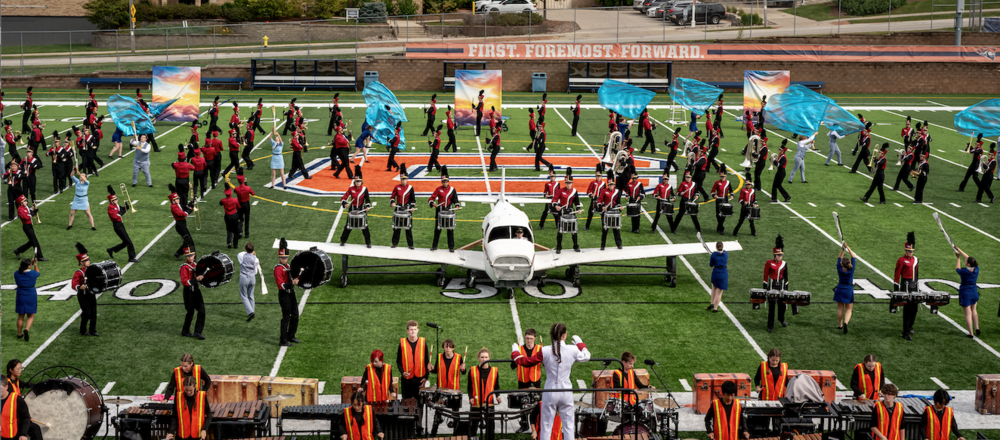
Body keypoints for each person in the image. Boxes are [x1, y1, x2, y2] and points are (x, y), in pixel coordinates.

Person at [511, 323, 590, 440]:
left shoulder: (544, 351)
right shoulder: (572, 349)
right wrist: (580, 344)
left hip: (550, 391)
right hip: (566, 391)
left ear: (551, 335)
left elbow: (525, 362)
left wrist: (515, 352)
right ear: (564, 335)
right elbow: (587, 356)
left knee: (546, 427)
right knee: (568, 427)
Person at [468, 348, 500, 440]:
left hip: (489, 402)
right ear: (478, 358)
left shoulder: (494, 370)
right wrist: (470, 397)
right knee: (473, 425)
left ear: (489, 358)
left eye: (486, 357)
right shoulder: (472, 370)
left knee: (490, 426)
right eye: (482, 357)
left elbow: (496, 386)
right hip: (476, 403)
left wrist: (498, 396)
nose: (484, 359)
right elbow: (469, 387)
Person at [274, 238, 301, 347]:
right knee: (286, 317)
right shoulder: (278, 269)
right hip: (284, 295)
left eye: (285, 258)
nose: (284, 260)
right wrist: (292, 283)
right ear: (279, 257)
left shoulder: (289, 266)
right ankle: (283, 340)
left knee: (295, 314)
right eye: (282, 258)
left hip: (291, 293)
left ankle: (291, 335)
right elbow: (281, 286)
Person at [339, 167, 372, 248]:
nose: (358, 183)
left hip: (361, 209)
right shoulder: (351, 189)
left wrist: (367, 207)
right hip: (352, 209)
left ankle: (368, 242)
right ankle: (343, 241)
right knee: (348, 225)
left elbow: (367, 200)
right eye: (356, 181)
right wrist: (345, 204)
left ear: (361, 181)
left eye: (359, 181)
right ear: (354, 181)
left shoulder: (364, 189)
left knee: (364, 226)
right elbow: (343, 198)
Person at [894, 232, 919, 340]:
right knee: (907, 309)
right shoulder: (901, 260)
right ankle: (905, 332)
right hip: (905, 285)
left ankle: (910, 326)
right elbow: (897, 275)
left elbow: (916, 274)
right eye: (909, 251)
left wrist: (917, 285)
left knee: (915, 308)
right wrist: (896, 289)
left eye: (912, 251)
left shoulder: (916, 260)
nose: (910, 253)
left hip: (914, 285)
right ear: (905, 250)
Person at [397, 320, 430, 400]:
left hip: (420, 380)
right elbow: (398, 361)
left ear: (417, 330)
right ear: (407, 331)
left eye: (415, 329)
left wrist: (426, 377)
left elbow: (427, 362)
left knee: (420, 403)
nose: (413, 331)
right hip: (407, 380)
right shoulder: (402, 344)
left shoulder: (423, 343)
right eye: (411, 329)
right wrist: (402, 372)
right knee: (406, 403)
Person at [763, 235, 790, 333]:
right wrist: (765, 287)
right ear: (775, 255)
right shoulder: (769, 263)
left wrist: (786, 288)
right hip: (772, 286)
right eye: (778, 255)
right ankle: (770, 326)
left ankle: (781, 319)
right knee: (772, 307)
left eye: (781, 255)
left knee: (782, 305)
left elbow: (786, 276)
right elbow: (765, 275)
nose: (780, 256)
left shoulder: (784, 264)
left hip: (781, 286)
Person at [179, 246, 206, 340]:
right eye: (188, 256)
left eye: (191, 255)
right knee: (190, 312)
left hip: (196, 291)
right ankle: (185, 331)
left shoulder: (196, 265)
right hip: (188, 292)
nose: (190, 257)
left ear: (194, 255)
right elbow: (184, 282)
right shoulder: (184, 267)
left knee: (202, 310)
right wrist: (196, 279)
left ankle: (198, 332)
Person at [430, 167, 459, 252]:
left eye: (446, 182)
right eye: (443, 182)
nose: (445, 183)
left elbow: (455, 199)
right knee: (437, 229)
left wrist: (457, 205)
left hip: (449, 211)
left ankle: (451, 247)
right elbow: (431, 198)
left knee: (450, 229)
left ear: (448, 181)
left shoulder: (452, 189)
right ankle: (434, 246)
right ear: (441, 182)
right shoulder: (438, 189)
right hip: (440, 211)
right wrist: (433, 204)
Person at [105, 185, 138, 263]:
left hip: (120, 225)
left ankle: (111, 250)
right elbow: (115, 216)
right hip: (117, 226)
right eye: (115, 199)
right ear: (112, 201)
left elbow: (122, 210)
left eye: (116, 199)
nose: (117, 200)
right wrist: (122, 211)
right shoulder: (110, 207)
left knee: (125, 242)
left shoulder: (116, 205)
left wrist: (126, 206)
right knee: (129, 242)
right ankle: (131, 258)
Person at [72, 243, 99, 336]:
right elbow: (74, 283)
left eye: (88, 259)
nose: (88, 261)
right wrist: (79, 287)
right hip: (83, 294)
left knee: (94, 312)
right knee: (87, 312)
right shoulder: (79, 272)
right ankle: (83, 330)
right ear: (81, 262)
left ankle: (92, 330)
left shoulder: (92, 269)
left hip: (91, 293)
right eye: (86, 260)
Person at [953, 246, 980, 338]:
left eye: (966, 261)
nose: (965, 261)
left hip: (966, 293)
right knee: (974, 311)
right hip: (974, 292)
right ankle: (977, 328)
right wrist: (959, 249)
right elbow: (968, 258)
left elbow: (957, 268)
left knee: (968, 314)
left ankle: (971, 333)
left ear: (968, 264)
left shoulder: (964, 271)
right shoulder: (976, 269)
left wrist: (958, 258)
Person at [553, 170, 581, 253]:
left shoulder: (574, 191)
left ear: (572, 183)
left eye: (570, 183)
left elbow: (577, 202)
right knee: (560, 231)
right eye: (567, 183)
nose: (568, 185)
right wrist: (556, 206)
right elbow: (554, 200)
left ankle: (576, 246)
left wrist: (578, 209)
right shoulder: (560, 191)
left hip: (571, 212)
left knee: (574, 230)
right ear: (565, 183)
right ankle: (558, 247)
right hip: (562, 212)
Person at [390, 164, 416, 249]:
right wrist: (392, 202)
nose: (403, 181)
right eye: (402, 179)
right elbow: (392, 197)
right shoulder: (397, 187)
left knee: (408, 228)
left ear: (407, 179)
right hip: (398, 209)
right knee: (397, 227)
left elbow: (413, 200)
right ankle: (394, 243)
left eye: (404, 179)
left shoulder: (410, 188)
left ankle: (410, 245)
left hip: (407, 210)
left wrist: (412, 207)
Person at [14, 258, 40, 342]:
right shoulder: (33, 273)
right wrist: (35, 264)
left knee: (20, 316)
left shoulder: (16, 273)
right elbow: (38, 273)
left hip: (20, 295)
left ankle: (19, 334)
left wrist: (30, 264)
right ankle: (26, 329)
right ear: (29, 266)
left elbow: (23, 271)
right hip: (31, 295)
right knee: (31, 315)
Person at [12, 195, 44, 261]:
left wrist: (34, 211)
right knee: (35, 242)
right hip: (26, 227)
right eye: (25, 201)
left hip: (30, 226)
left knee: (32, 242)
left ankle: (18, 250)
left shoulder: (26, 207)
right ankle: (39, 257)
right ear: (21, 202)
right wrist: (31, 214)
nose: (26, 202)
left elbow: (29, 212)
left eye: (26, 200)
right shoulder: (20, 209)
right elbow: (25, 217)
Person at [1, 374, 32, 440]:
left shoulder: (17, 399)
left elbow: (26, 418)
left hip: (12, 436)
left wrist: (23, 434)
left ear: (6, 387)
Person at [169, 185, 195, 260]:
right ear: (173, 201)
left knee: (187, 241)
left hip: (182, 224)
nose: (179, 199)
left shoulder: (177, 205)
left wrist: (189, 205)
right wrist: (190, 210)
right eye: (177, 199)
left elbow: (183, 208)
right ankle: (192, 257)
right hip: (180, 225)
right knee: (189, 241)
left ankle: (178, 253)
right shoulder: (173, 207)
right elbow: (182, 214)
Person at [835, 242, 857, 334]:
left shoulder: (839, 269)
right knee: (848, 309)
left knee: (840, 308)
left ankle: (840, 325)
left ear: (842, 264)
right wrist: (847, 247)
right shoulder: (851, 270)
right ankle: (846, 323)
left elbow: (839, 258)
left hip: (840, 288)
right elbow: (853, 257)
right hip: (848, 290)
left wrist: (843, 249)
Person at [237, 243, 261, 322]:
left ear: (246, 249)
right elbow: (255, 271)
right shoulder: (256, 259)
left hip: (244, 277)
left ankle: (250, 312)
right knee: (251, 295)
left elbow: (240, 253)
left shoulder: (241, 255)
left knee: (243, 295)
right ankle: (252, 310)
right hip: (252, 278)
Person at [597, 184, 623, 250]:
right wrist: (602, 207)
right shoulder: (603, 191)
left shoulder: (617, 191)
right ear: (608, 185)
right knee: (605, 229)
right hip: (606, 212)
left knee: (616, 228)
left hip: (614, 211)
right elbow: (599, 201)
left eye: (612, 185)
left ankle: (619, 244)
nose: (611, 186)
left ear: (614, 185)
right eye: (610, 185)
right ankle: (602, 245)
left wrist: (620, 207)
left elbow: (618, 202)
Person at [732, 173, 756, 237]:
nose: (748, 186)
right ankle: (735, 232)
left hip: (750, 207)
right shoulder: (743, 190)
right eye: (747, 184)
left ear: (751, 185)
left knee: (751, 221)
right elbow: (740, 199)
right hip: (744, 208)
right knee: (741, 221)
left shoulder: (753, 191)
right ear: (745, 185)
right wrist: (743, 202)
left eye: (749, 184)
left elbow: (754, 199)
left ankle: (753, 232)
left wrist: (755, 204)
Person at [710, 167, 732, 235]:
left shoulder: (728, 183)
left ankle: (720, 228)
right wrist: (714, 195)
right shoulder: (717, 182)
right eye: (721, 176)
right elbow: (712, 191)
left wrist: (732, 195)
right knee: (718, 214)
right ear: (720, 176)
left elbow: (731, 191)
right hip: (719, 199)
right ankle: (720, 227)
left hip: (725, 199)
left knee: (724, 214)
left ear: (726, 176)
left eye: (724, 176)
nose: (723, 178)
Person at [586, 164, 606, 231]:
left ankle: (604, 226)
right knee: (590, 213)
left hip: (600, 201)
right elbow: (588, 191)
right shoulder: (593, 182)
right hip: (594, 200)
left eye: (599, 176)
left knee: (603, 214)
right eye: (597, 176)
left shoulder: (603, 183)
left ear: (601, 176)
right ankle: (587, 226)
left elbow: (605, 192)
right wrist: (591, 195)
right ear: (595, 176)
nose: (598, 177)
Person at [234, 171, 255, 238]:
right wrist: (246, 185)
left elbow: (235, 191)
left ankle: (240, 232)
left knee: (240, 219)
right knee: (247, 219)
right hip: (246, 204)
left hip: (239, 204)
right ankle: (246, 233)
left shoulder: (236, 188)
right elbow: (253, 193)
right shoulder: (247, 188)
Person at [709, 242, 728, 313]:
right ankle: (715, 308)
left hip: (715, 272)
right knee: (719, 292)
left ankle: (712, 303)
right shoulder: (726, 254)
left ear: (716, 247)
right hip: (723, 273)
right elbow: (723, 253)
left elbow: (711, 265)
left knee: (713, 288)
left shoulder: (713, 255)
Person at [269, 119, 287, 190]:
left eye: (278, 138)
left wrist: (278, 134)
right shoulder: (273, 143)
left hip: (279, 158)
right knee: (273, 173)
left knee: (282, 173)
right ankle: (272, 185)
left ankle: (284, 185)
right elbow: (270, 138)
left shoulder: (281, 144)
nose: (277, 138)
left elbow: (281, 141)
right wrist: (272, 131)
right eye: (276, 138)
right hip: (274, 158)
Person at [539, 165, 559, 230]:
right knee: (545, 212)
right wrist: (546, 195)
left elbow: (559, 192)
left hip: (555, 199)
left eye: (553, 176)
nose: (552, 178)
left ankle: (558, 225)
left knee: (556, 213)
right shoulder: (547, 184)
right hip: (549, 199)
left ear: (555, 176)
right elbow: (544, 192)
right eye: (550, 176)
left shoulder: (557, 184)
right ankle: (541, 225)